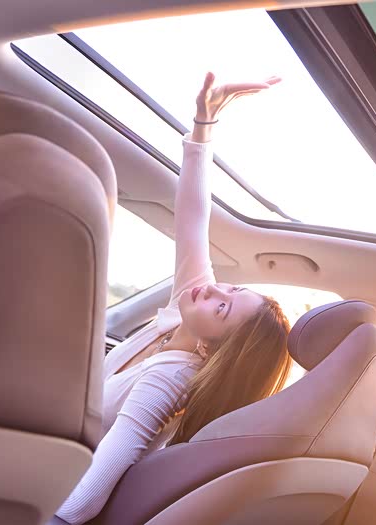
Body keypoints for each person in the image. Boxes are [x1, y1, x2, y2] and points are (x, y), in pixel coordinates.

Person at [56, 72, 292, 524]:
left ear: (213, 349)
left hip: (47, 484)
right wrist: (203, 127)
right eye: (232, 288)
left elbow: (89, 494)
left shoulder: (172, 380)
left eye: (222, 308)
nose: (215, 288)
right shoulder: (183, 312)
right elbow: (193, 217)